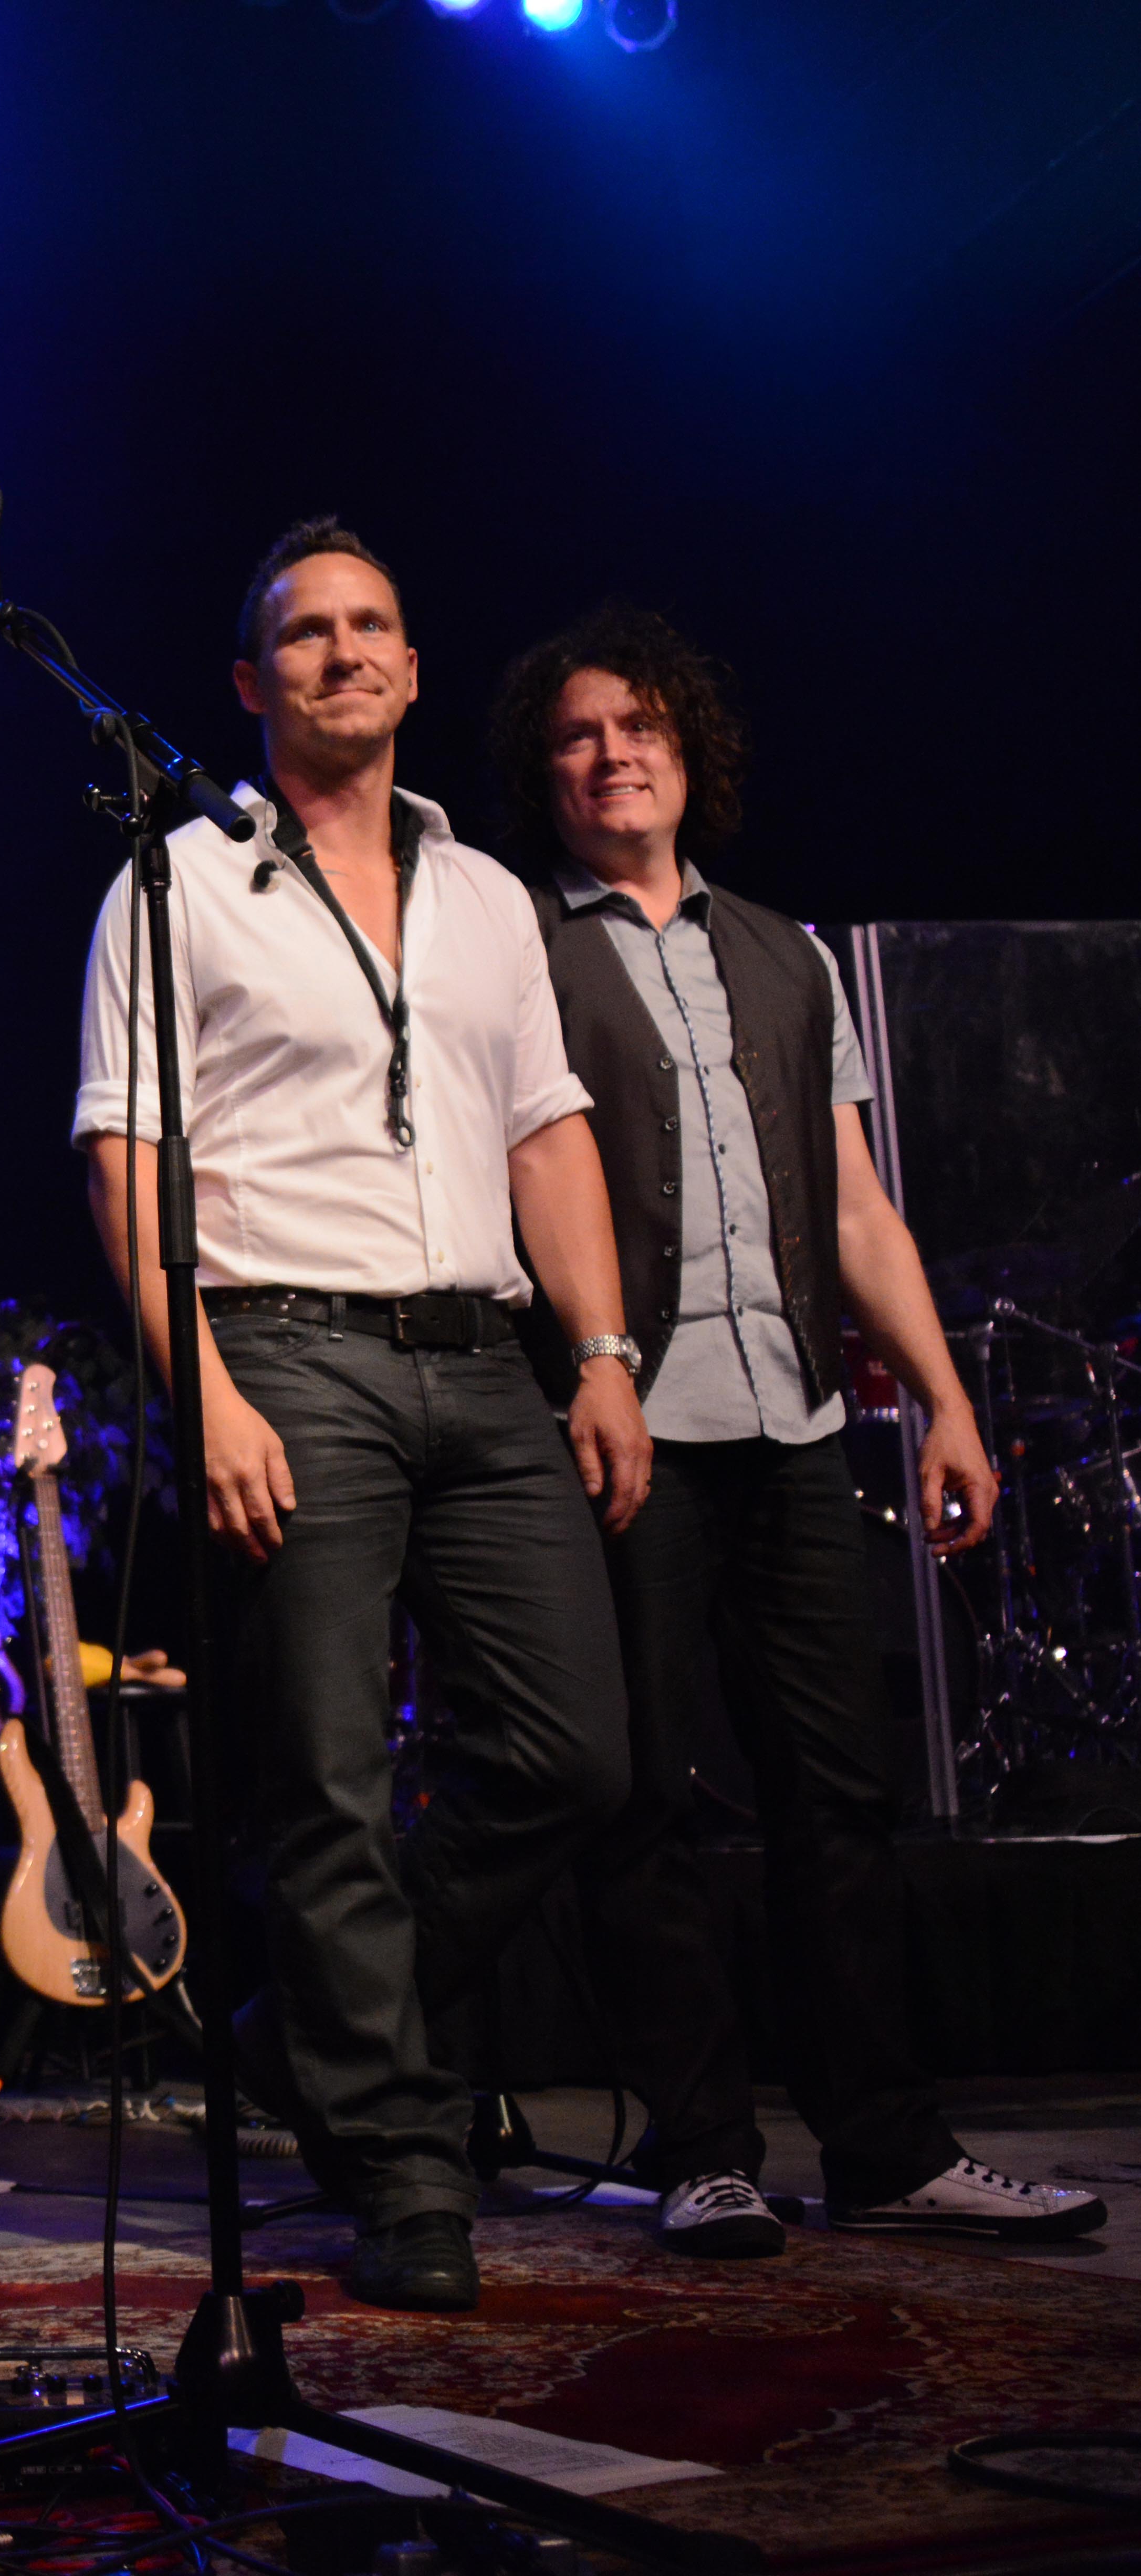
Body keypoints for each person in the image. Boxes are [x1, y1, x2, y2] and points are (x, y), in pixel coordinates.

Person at [71, 518, 652, 2316]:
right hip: (287, 1348)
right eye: (306, 631)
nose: (344, 651)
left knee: (572, 1754)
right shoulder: (177, 880)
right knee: (323, 1776)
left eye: (372, 623)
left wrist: (604, 1351)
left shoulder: (487, 896)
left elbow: (545, 1129)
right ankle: (400, 2161)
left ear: (410, 665)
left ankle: (304, 2026)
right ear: (252, 682)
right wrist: (208, 1391)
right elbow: (125, 1160)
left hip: (484, 1355)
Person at [488, 605, 1105, 2255]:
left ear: (692, 750)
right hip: (625, 1429)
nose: (615, 755)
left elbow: (855, 1207)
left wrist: (946, 1400)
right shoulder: (515, 947)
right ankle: (702, 2147)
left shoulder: (786, 952)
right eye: (579, 733)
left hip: (795, 1423)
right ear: (545, 770)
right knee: (646, 1800)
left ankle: (887, 2145)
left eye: (642, 726)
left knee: (840, 1791)